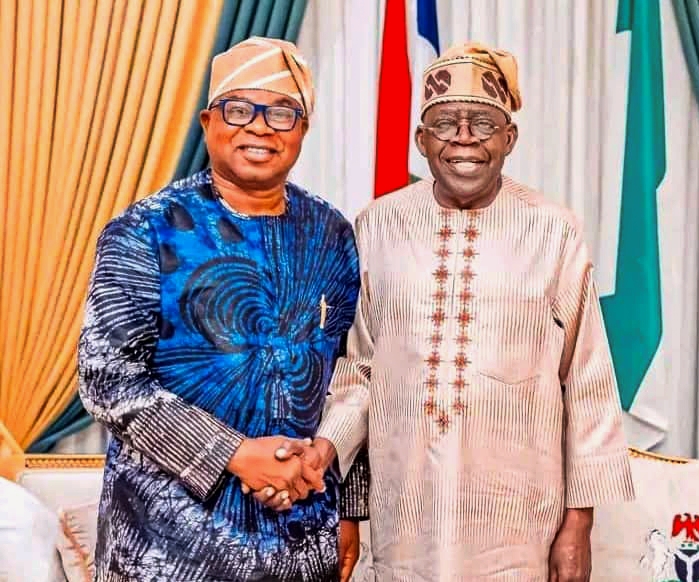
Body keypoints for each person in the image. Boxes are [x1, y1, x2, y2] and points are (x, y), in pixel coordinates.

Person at [311, 42, 636, 581]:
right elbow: (360, 371)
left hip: (519, 522)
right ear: (421, 140)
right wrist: (331, 468)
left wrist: (578, 523)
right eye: (445, 123)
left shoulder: (553, 230)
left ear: (509, 138)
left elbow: (587, 381)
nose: (464, 138)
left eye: (483, 123)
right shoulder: (377, 225)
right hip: (406, 516)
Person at [78, 37, 367, 582]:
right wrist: (236, 454)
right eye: (239, 110)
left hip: (301, 544)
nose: (260, 127)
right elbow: (107, 380)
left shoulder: (332, 234)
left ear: (302, 129)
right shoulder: (145, 230)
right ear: (208, 123)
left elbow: (353, 371)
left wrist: (348, 504)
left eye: (282, 113)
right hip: (166, 548)